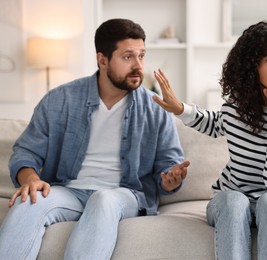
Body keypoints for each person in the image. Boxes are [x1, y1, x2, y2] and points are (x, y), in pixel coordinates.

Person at [0, 18, 190, 260]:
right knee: (29, 202)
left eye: (142, 56)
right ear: (102, 59)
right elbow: (26, 151)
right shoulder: (61, 99)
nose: (138, 65)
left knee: (104, 199)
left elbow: (168, 166)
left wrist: (171, 180)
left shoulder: (155, 108)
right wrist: (31, 179)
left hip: (124, 193)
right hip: (69, 190)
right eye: (128, 57)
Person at [153, 21, 267, 260]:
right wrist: (180, 109)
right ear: (252, 66)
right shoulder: (237, 109)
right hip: (232, 202)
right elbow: (214, 123)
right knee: (233, 200)